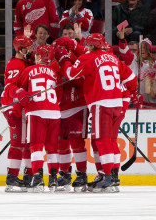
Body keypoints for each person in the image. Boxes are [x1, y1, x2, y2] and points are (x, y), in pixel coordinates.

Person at [54, 33, 138, 193]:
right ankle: (113, 176)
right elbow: (131, 78)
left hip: (101, 103)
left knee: (102, 140)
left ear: (91, 46)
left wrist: (64, 59)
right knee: (112, 141)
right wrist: (134, 93)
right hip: (117, 103)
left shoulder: (90, 58)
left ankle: (106, 175)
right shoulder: (113, 58)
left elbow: (71, 73)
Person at [17, 44, 61, 193]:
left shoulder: (29, 70)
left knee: (36, 146)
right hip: (55, 112)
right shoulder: (54, 72)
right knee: (52, 148)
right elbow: (59, 94)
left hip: (37, 112)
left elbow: (20, 89)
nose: (34, 57)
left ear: (40, 57)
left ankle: (38, 177)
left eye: (36, 55)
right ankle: (53, 178)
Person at [55, 24, 89, 192]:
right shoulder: (55, 53)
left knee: (77, 142)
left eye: (70, 34)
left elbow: (81, 77)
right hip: (60, 106)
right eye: (65, 34)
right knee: (61, 143)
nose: (67, 36)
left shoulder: (81, 53)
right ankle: (64, 173)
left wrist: (67, 61)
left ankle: (82, 174)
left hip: (77, 104)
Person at [0, 35, 34, 192]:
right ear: (20, 49)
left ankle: (28, 174)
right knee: (18, 144)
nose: (31, 50)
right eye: (28, 47)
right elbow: (9, 87)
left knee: (26, 143)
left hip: (21, 107)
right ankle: (12, 177)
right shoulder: (15, 63)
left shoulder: (24, 62)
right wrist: (19, 91)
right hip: (14, 107)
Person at [118, 28, 156, 105]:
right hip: (135, 99)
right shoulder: (133, 59)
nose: (143, 50)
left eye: (145, 48)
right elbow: (124, 51)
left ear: (149, 50)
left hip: (151, 100)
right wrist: (122, 39)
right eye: (141, 48)